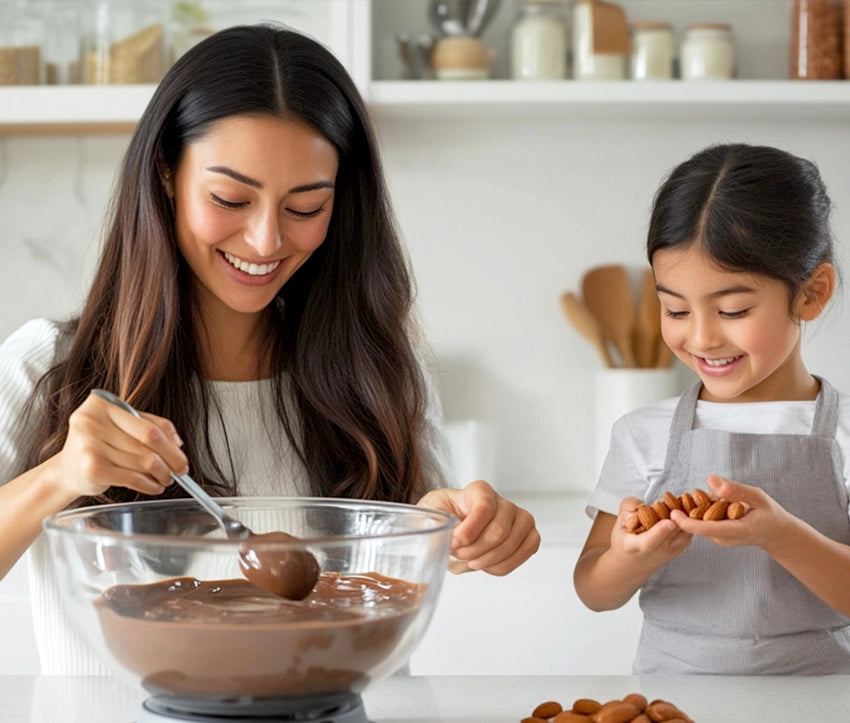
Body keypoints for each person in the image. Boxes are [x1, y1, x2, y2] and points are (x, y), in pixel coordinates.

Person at [0, 24, 539, 674]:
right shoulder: (48, 366)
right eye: (230, 198)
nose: (263, 241)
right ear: (167, 173)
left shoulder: (380, 368)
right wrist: (57, 476)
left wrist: (452, 526)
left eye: (305, 206)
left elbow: (417, 534)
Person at [573, 143, 850, 674]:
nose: (700, 336)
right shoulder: (642, 434)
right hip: (675, 701)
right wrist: (634, 557)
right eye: (674, 308)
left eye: (733, 309)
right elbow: (593, 590)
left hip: (824, 701)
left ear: (812, 294)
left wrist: (778, 534)